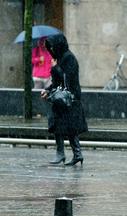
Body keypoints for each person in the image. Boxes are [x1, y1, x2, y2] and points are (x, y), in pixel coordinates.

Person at [41, 34, 88, 166]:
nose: (52, 49)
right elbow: (56, 82)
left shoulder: (69, 58)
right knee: (58, 126)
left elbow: (68, 79)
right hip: (60, 99)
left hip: (69, 99)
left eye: (53, 46)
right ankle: (63, 154)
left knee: (70, 127)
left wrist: (55, 68)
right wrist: (48, 90)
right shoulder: (59, 58)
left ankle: (76, 154)